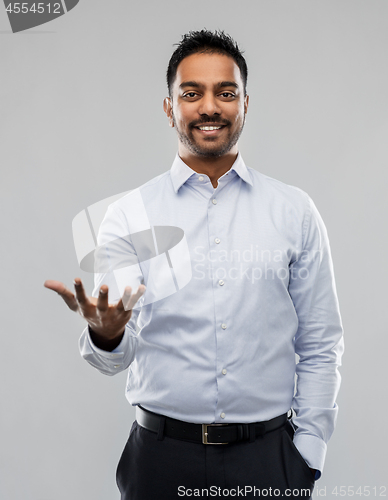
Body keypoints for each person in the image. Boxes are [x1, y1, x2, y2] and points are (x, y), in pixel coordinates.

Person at [44, 29, 344, 499]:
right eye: (191, 93)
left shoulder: (294, 211)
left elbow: (321, 342)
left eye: (226, 93)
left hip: (268, 460)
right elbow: (116, 359)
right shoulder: (130, 215)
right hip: (162, 460)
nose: (210, 107)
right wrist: (108, 333)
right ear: (169, 108)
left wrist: (307, 452)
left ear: (246, 103)